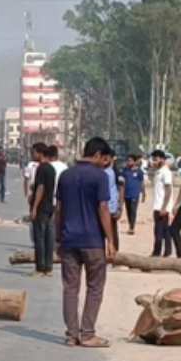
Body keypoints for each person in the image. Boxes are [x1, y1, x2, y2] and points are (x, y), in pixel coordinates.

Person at [55, 136, 116, 348]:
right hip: (93, 241)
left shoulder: (65, 175)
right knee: (95, 287)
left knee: (70, 288)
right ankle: (88, 333)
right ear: (98, 155)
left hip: (69, 239)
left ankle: (72, 334)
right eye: (105, 159)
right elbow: (103, 209)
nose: (106, 163)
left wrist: (57, 238)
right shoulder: (100, 177)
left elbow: (59, 210)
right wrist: (111, 240)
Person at [28, 142, 56, 277]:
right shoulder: (51, 168)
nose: (32, 155)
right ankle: (48, 267)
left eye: (33, 152)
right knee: (49, 238)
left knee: (39, 237)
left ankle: (40, 267)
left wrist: (34, 207)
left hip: (41, 207)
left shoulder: (41, 168)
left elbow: (40, 188)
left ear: (39, 153)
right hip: (50, 206)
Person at [149, 150, 174, 257]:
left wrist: (164, 207)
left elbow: (168, 190)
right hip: (158, 206)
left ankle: (156, 253)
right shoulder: (158, 172)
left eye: (156, 159)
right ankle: (167, 252)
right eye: (153, 159)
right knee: (164, 231)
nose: (154, 162)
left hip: (162, 207)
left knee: (159, 233)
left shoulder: (165, 172)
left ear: (163, 159)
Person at [120, 155, 145, 235]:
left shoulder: (139, 172)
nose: (129, 162)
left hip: (135, 194)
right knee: (128, 210)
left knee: (133, 210)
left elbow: (142, 183)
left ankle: (132, 227)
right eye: (128, 160)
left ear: (134, 161)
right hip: (126, 194)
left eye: (130, 160)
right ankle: (130, 224)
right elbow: (122, 182)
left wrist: (143, 193)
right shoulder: (125, 171)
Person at [102, 149, 121, 251]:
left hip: (110, 207)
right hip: (105, 206)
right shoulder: (102, 172)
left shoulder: (114, 172)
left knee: (112, 233)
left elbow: (121, 188)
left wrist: (119, 207)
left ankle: (114, 254)